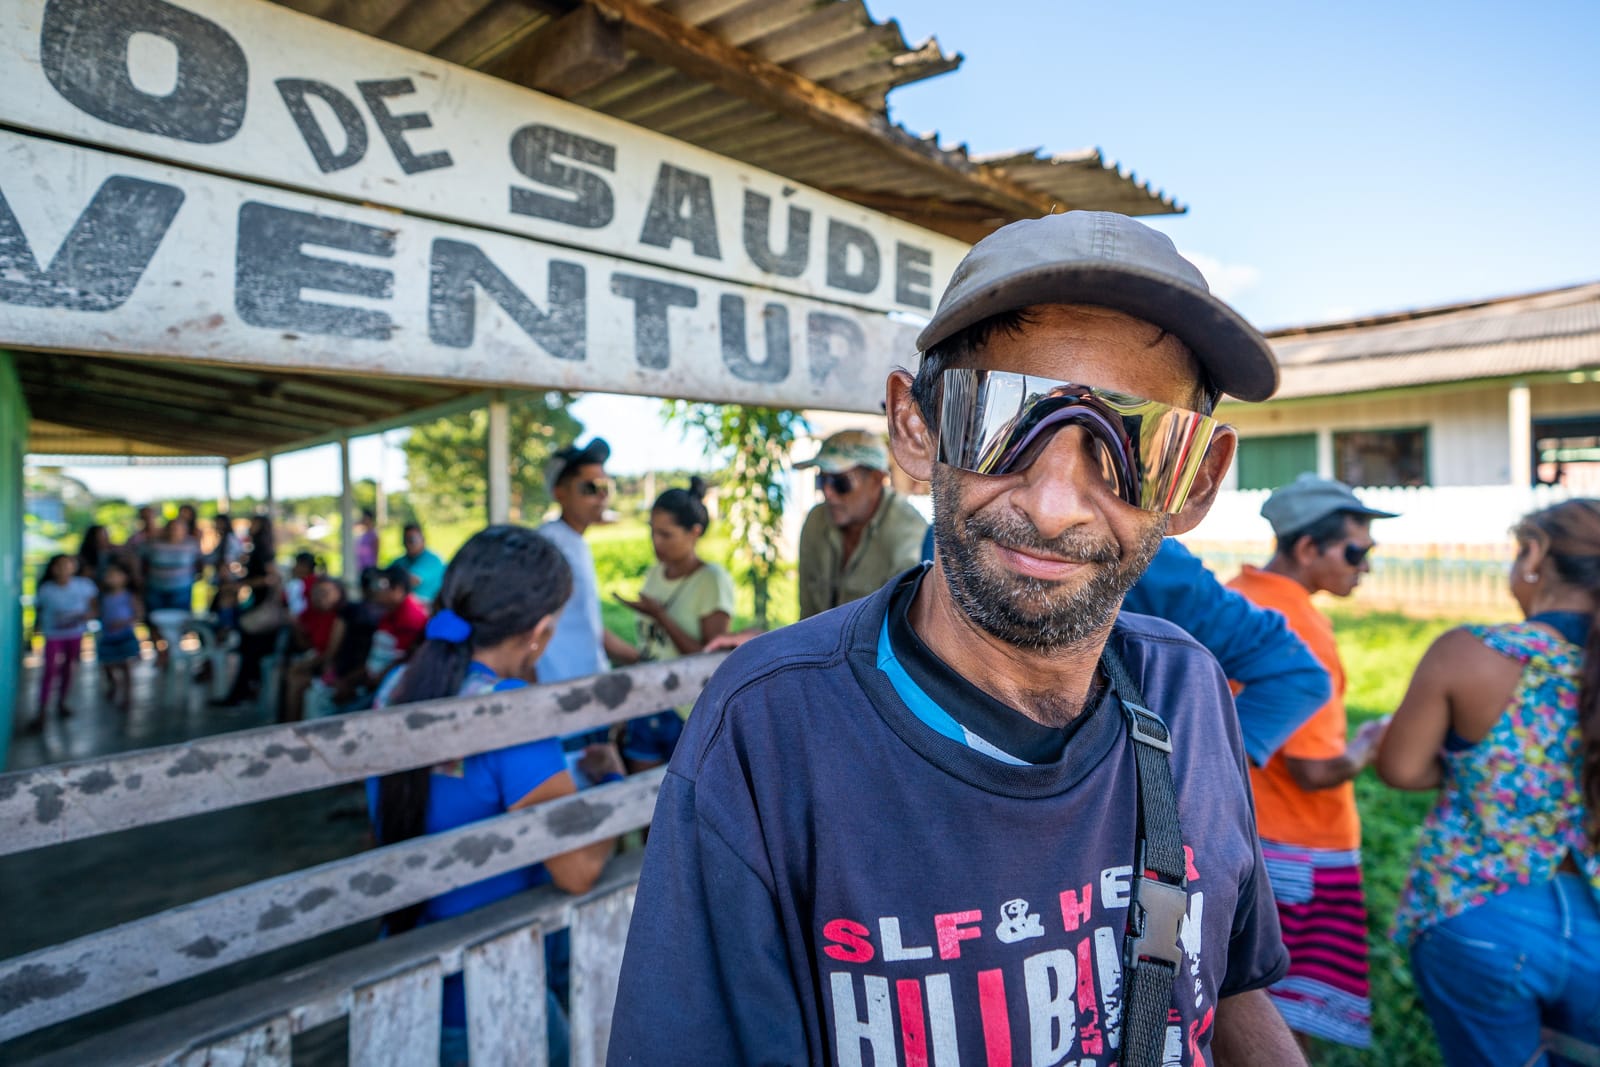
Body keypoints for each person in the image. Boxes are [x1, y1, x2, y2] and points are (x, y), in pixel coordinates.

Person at [611, 210, 1300, 1065]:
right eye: (1003, 417)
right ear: (914, 428)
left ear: (1194, 482)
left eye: (1137, 442)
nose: (1055, 504)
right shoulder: (771, 731)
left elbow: (1226, 988)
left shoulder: (1187, 691)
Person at [367, 525, 623, 1067]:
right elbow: (575, 870)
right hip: (489, 994)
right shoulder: (509, 713)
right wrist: (613, 787)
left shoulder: (397, 687)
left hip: (401, 978)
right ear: (540, 632)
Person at [1378, 499, 1600, 1064]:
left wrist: (1469, 769)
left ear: (1535, 556)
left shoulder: (1471, 654)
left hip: (1479, 913)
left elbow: (1402, 768)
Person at [1225, 474, 1397, 1052]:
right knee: (1278, 1021)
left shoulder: (1234, 597)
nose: (1365, 565)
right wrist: (1370, 743)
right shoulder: (1297, 626)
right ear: (1306, 548)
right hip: (1299, 848)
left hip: (1243, 835)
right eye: (1356, 551)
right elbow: (1314, 769)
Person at [613, 478, 736, 771]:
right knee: (642, 802)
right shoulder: (655, 573)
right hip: (647, 699)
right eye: (653, 533)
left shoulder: (711, 580)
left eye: (666, 535)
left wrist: (660, 616)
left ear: (695, 532)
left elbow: (710, 658)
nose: (656, 543)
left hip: (686, 710)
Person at [537, 438, 640, 686]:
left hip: (585, 684)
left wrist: (638, 658)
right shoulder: (549, 545)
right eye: (590, 488)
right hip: (557, 688)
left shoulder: (574, 540)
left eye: (606, 486)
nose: (602, 496)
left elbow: (584, 621)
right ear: (559, 493)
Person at [796, 429, 927, 619]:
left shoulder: (908, 533)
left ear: (876, 479)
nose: (828, 492)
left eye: (840, 482)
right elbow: (806, 617)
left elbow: (902, 628)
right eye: (821, 480)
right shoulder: (816, 521)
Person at [214, 516, 286, 707]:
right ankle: (246, 691)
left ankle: (240, 693)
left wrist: (242, 584)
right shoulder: (258, 549)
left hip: (261, 608)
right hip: (257, 606)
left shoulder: (263, 551)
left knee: (250, 654)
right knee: (250, 654)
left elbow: (270, 578)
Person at [32, 553, 98, 728]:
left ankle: (61, 702)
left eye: (67, 565)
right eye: (59, 565)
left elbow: (94, 607)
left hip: (75, 634)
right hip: (53, 635)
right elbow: (38, 612)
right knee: (50, 670)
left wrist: (85, 616)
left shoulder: (84, 586)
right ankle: (42, 708)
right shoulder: (46, 589)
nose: (64, 569)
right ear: (53, 569)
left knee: (69, 668)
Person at [283, 577, 346, 723]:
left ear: (339, 593)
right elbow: (306, 644)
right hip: (317, 661)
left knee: (296, 680)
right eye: (316, 593)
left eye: (325, 593)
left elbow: (329, 654)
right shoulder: (311, 613)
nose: (320, 597)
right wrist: (297, 627)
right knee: (291, 675)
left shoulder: (340, 617)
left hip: (333, 669)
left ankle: (291, 725)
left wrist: (303, 666)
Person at [140, 518, 200, 668]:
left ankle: (174, 652)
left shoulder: (191, 545)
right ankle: (161, 653)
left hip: (181, 590)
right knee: (153, 622)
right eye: (172, 528)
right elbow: (138, 557)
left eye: (179, 528)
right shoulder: (154, 544)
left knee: (179, 623)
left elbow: (201, 562)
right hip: (156, 588)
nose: (175, 531)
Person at [96, 562, 141, 710]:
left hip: (125, 635)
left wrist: (123, 623)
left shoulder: (129, 596)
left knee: (126, 666)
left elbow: (138, 614)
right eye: (109, 575)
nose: (111, 578)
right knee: (107, 664)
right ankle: (114, 684)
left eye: (115, 575)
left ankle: (128, 696)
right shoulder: (102, 597)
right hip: (108, 636)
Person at [389, 523, 446, 605]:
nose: (408, 544)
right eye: (406, 540)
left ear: (423, 540)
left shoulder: (432, 560)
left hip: (428, 607)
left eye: (412, 540)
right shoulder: (400, 561)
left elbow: (411, 580)